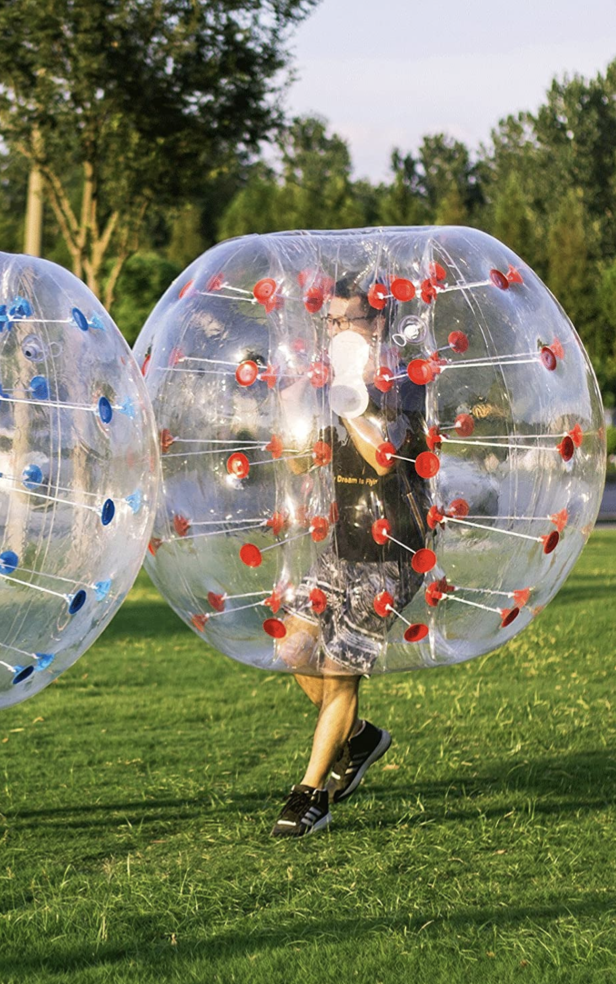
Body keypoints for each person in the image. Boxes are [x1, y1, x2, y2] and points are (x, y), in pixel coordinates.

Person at [270, 276, 429, 837]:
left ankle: (311, 796)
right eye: (331, 322)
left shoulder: (406, 381)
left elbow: (382, 459)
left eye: (349, 321)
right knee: (292, 648)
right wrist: (292, 408)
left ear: (378, 324)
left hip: (393, 551)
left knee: (340, 669)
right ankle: (359, 738)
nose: (336, 332)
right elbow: (295, 464)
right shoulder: (327, 383)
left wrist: (348, 394)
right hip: (341, 544)